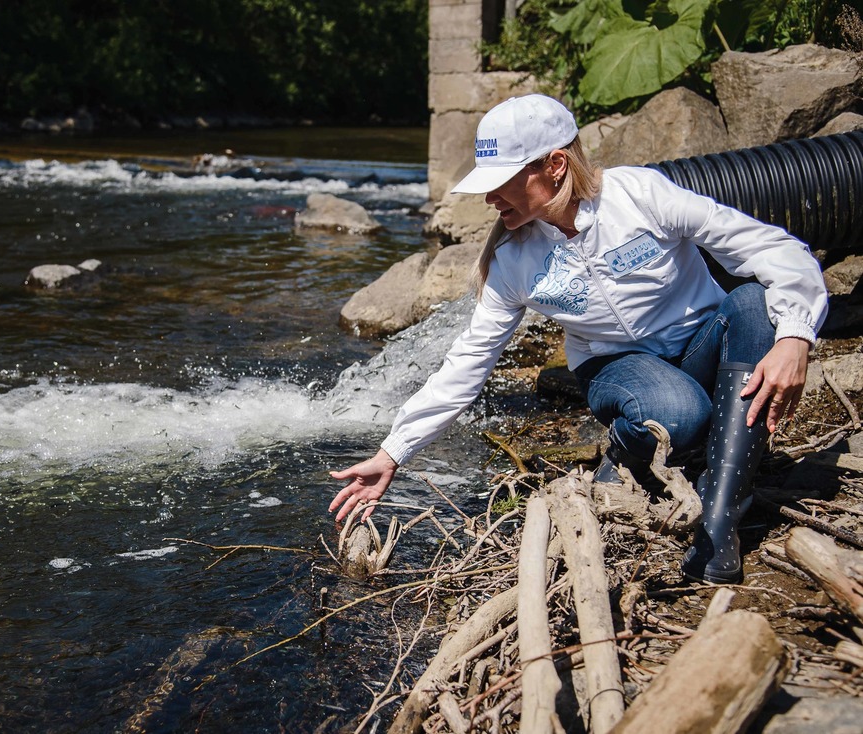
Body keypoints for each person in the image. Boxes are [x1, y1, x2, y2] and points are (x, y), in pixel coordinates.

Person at [329, 94, 828, 584]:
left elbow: (773, 249)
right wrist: (393, 452)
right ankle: (632, 450)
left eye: (501, 181)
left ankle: (719, 524)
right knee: (679, 414)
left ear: (556, 165)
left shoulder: (640, 195)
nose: (488, 198)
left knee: (755, 304)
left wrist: (795, 338)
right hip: (617, 366)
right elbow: (467, 364)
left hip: (699, 343)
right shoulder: (513, 260)